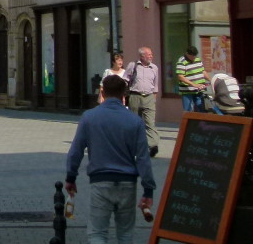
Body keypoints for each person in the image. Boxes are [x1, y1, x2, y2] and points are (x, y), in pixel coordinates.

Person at [65, 74, 156, 244]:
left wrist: (71, 177)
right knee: (125, 234)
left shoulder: (89, 117)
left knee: (98, 233)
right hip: (127, 183)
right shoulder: (135, 121)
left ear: (102, 91)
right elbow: (143, 158)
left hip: (100, 181)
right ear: (124, 94)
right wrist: (148, 190)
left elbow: (75, 151)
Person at [124, 47, 159, 157]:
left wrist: (154, 99)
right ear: (142, 56)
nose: (151, 56)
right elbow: (125, 79)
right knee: (134, 123)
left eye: (151, 54)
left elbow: (155, 85)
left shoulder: (154, 68)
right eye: (148, 54)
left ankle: (153, 146)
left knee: (150, 122)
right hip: (135, 96)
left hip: (149, 97)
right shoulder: (133, 65)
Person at [174, 45, 207, 113]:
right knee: (188, 110)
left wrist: (210, 80)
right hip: (187, 91)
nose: (194, 58)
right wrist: (193, 84)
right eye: (192, 56)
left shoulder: (198, 59)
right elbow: (180, 76)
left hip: (199, 90)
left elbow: (203, 71)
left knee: (200, 108)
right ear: (187, 54)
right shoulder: (181, 61)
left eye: (195, 56)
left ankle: (201, 123)